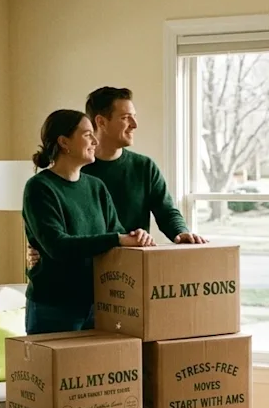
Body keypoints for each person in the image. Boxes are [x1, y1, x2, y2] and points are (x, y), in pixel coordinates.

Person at [27, 86, 204, 269]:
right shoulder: (68, 172)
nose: (134, 125)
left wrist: (181, 233)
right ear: (101, 122)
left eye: (134, 116)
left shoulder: (140, 169)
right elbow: (54, 237)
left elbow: (166, 212)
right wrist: (41, 247)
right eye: (126, 118)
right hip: (77, 277)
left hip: (123, 273)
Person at [22, 108, 153, 334]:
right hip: (54, 307)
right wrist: (117, 239)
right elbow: (57, 245)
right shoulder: (39, 188)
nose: (94, 140)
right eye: (87, 134)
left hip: (100, 304)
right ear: (64, 142)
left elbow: (116, 237)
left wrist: (135, 237)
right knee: (58, 371)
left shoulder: (96, 187)